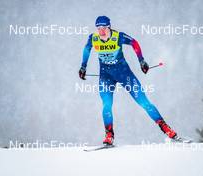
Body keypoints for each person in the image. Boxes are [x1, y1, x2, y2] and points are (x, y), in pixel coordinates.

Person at [79, 16, 184, 145]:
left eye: (104, 28)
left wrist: (142, 61)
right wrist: (83, 66)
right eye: (99, 28)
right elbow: (86, 49)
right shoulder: (93, 38)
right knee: (106, 104)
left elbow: (134, 42)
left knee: (143, 102)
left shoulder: (118, 36)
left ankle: (166, 129)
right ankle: (109, 135)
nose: (101, 31)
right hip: (106, 76)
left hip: (124, 74)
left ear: (109, 27)